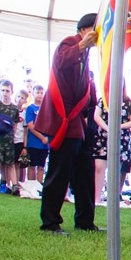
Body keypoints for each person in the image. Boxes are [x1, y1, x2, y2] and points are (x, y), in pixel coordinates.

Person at [35, 13, 100, 234]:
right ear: (85, 29)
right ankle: (50, 221)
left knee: (84, 173)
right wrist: (82, 45)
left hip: (77, 123)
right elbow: (61, 61)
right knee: (59, 172)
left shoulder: (86, 54)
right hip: (64, 120)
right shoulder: (70, 43)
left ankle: (85, 220)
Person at [0, 80, 21, 193]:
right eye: (3, 90)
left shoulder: (14, 108)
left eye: (7, 91)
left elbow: (15, 124)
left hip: (9, 139)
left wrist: (10, 134)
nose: (5, 93)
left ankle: (14, 186)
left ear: (11, 92)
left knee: (10, 163)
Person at [23, 85, 48, 183]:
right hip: (33, 143)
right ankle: (31, 186)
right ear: (33, 94)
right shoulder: (30, 108)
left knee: (41, 167)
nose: (40, 95)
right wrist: (42, 137)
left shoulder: (47, 109)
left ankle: (39, 187)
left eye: (42, 93)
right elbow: (30, 126)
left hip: (44, 145)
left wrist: (46, 139)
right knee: (32, 166)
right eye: (38, 93)